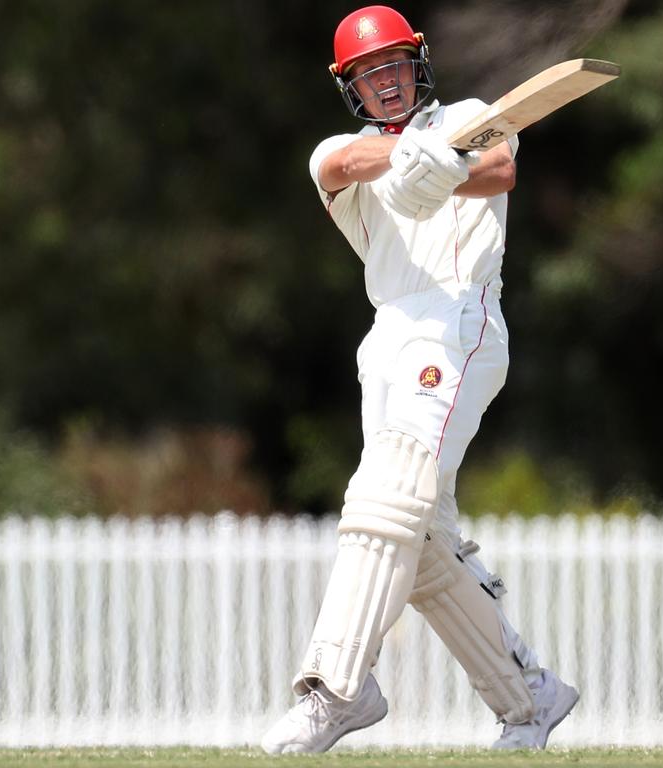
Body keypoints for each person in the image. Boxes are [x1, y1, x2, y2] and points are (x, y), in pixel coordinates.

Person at [261, 5, 579, 754]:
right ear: (352, 89)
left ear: (418, 62)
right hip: (389, 338)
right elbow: (341, 165)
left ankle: (337, 688)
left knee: (385, 497)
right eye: (369, 76)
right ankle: (529, 697)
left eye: (394, 65)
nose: (387, 83)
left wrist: (450, 166)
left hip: (459, 322)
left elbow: (498, 166)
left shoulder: (471, 117)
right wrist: (408, 159)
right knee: (422, 534)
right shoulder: (339, 151)